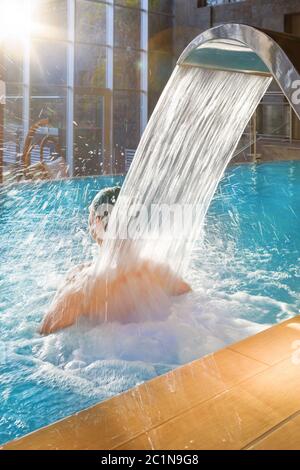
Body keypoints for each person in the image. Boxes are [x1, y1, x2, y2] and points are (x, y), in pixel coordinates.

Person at [40, 187, 191, 335]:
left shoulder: (84, 285)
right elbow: (193, 306)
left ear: (97, 222)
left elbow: (47, 329)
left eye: (90, 215)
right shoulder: (159, 272)